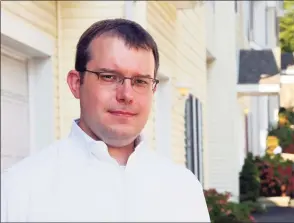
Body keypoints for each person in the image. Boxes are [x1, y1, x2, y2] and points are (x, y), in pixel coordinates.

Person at [1, 18, 210, 222]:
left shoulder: (183, 189)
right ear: (76, 83)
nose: (126, 94)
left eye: (140, 81)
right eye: (109, 77)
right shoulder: (20, 189)